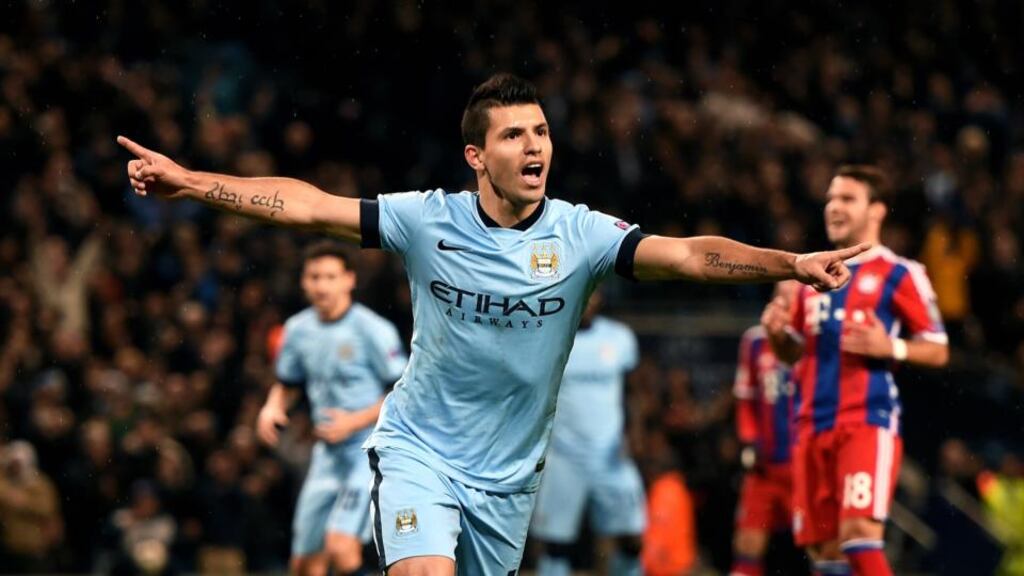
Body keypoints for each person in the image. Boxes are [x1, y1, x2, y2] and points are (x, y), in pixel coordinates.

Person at [119, 73, 868, 576]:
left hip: (508, 479)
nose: (535, 145)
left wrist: (790, 262)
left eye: (540, 131)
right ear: (477, 156)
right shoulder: (426, 220)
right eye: (514, 135)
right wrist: (192, 182)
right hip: (419, 452)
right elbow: (309, 204)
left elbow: (692, 257)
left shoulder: (582, 235)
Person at [761, 165, 949, 576]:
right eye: (830, 198)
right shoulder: (807, 278)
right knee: (825, 551)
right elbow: (793, 354)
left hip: (865, 419)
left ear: (876, 211)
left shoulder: (900, 273)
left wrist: (892, 346)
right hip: (810, 424)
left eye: (847, 198)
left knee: (859, 532)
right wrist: (777, 336)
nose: (834, 207)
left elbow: (938, 349)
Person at [257, 241, 408, 576]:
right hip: (326, 456)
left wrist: (354, 422)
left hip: (366, 452)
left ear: (349, 280)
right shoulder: (297, 330)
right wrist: (271, 406)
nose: (322, 285)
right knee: (304, 564)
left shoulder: (373, 330)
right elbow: (288, 381)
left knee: (341, 548)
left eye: (330, 276)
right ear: (303, 282)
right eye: (314, 277)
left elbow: (403, 392)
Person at [529, 291, 645, 576]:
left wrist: (637, 432)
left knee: (632, 538)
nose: (589, 302)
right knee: (556, 544)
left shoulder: (619, 338)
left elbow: (634, 391)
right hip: (564, 455)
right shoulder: (550, 338)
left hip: (611, 454)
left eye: (594, 295)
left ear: (600, 298)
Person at [730, 281, 801, 576]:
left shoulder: (816, 342)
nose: (782, 301)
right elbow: (746, 398)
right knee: (747, 543)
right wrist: (749, 441)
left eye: (791, 297)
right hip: (766, 469)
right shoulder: (755, 341)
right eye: (778, 295)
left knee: (826, 547)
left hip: (805, 467)